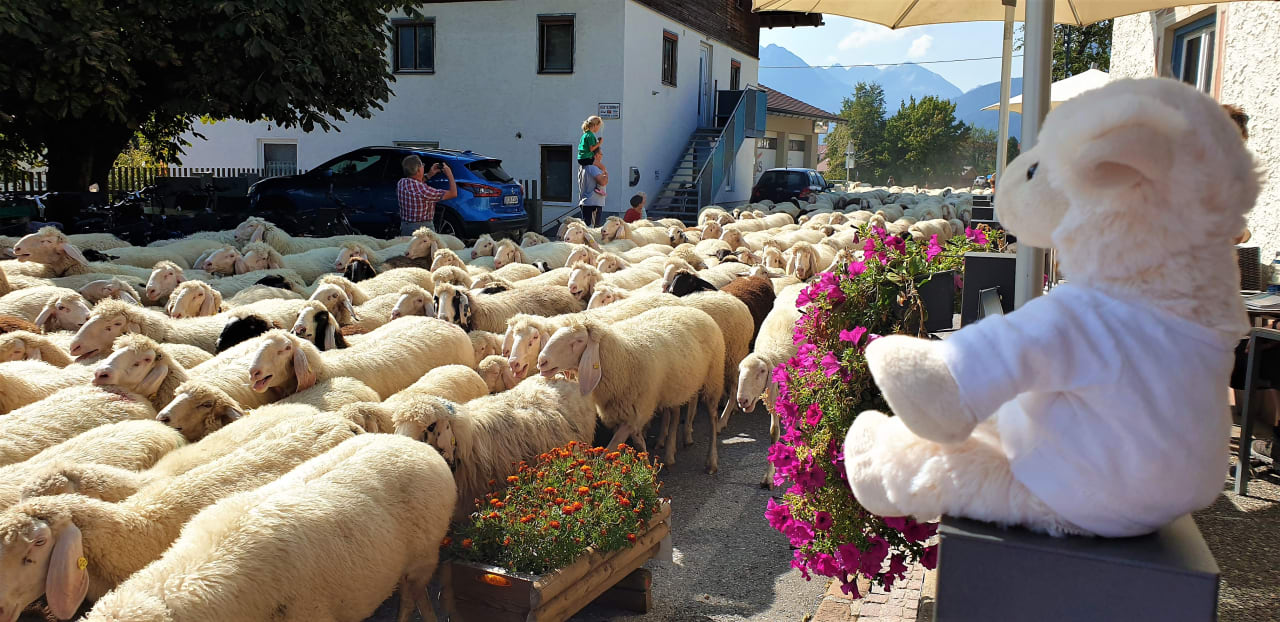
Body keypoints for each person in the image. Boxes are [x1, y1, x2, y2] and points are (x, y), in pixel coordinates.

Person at [396, 154, 456, 236]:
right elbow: (453, 193)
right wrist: (449, 173)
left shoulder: (401, 183)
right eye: (422, 165)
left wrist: (429, 175)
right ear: (418, 170)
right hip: (423, 231)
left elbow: (416, 183)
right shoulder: (425, 191)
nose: (423, 167)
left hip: (406, 229)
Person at [578, 150, 608, 227]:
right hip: (593, 203)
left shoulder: (583, 167)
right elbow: (602, 182)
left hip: (586, 202)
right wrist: (605, 171)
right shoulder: (593, 168)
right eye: (601, 153)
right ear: (596, 155)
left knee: (588, 228)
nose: (602, 156)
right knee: (593, 230)